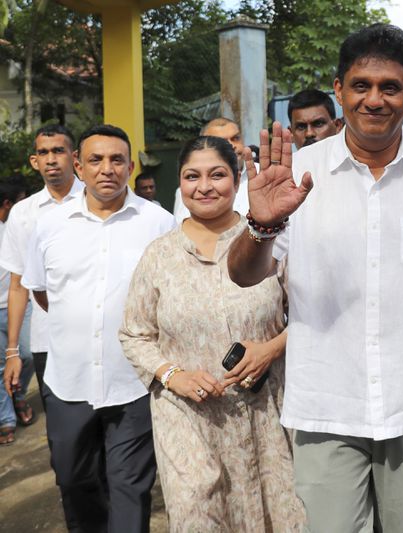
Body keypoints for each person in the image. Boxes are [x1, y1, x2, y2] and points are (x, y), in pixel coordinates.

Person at [228, 24, 403, 532]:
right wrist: (262, 224)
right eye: (361, 86)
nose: (375, 100)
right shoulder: (298, 173)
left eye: (390, 87)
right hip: (328, 405)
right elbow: (243, 275)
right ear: (339, 91)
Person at [119, 135, 304, 531]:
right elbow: (134, 334)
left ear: (237, 183)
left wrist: (271, 349)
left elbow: (311, 317)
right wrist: (174, 376)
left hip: (267, 416)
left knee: (279, 517)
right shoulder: (160, 255)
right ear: (180, 185)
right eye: (192, 176)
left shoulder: (274, 243)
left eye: (217, 174)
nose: (204, 186)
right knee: (197, 515)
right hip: (187, 421)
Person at [22, 124, 175, 532]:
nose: (107, 169)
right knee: (74, 481)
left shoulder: (159, 224)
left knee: (130, 488)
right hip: (68, 381)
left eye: (117, 160)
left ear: (129, 166)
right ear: (79, 165)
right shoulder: (48, 226)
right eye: (96, 160)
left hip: (134, 384)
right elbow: (42, 293)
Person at [0, 124, 84, 413]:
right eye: (43, 152)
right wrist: (12, 351)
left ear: (74, 158)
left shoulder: (100, 202)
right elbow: (18, 284)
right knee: (64, 439)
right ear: (34, 161)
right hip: (48, 340)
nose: (51, 159)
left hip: (103, 335)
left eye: (58, 151)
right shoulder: (23, 214)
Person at [0, 177, 35, 445]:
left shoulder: (19, 227)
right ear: (7, 205)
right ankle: (6, 419)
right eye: (20, 201)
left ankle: (18, 392)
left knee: (26, 354)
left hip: (21, 304)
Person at [173, 117, 250, 221]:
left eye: (235, 138)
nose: (231, 146)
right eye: (220, 142)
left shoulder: (264, 177)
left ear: (237, 180)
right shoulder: (187, 191)